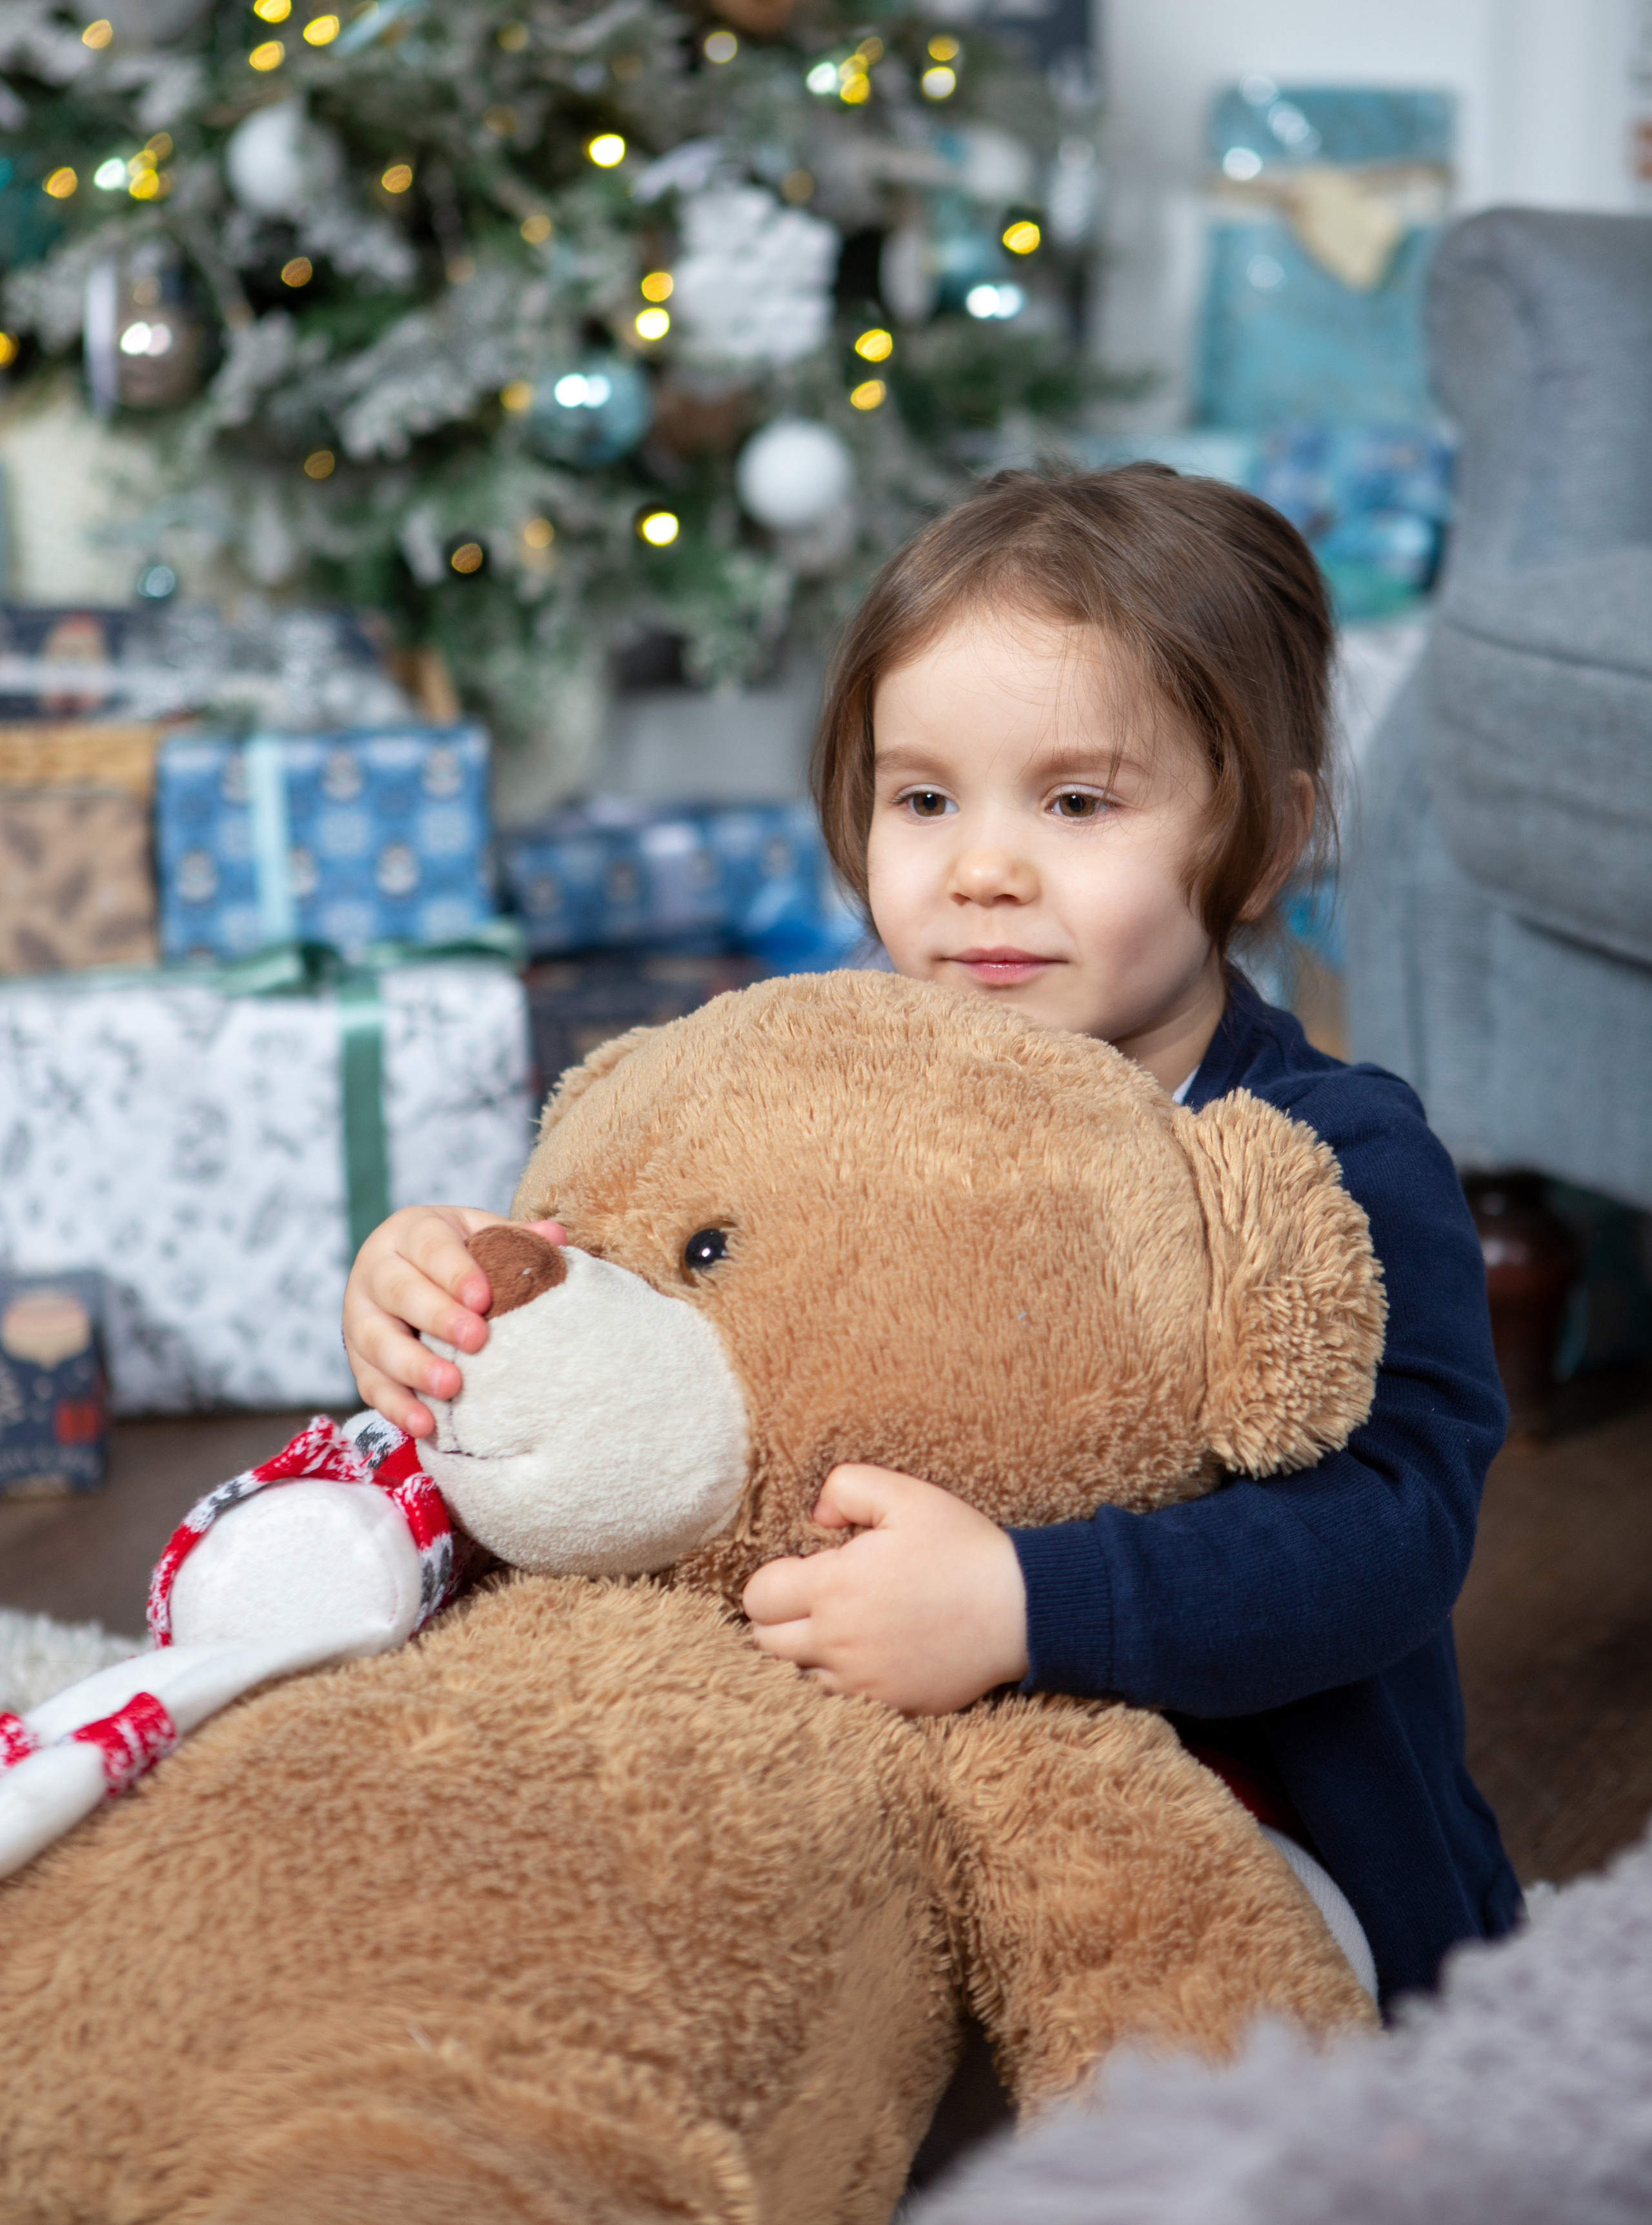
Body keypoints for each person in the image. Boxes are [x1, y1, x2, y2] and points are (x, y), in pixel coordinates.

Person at [343, 464, 1521, 2005]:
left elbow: (1392, 1536)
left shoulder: (1333, 1151)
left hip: (1252, 1863)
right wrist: (440, 1289)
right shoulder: (814, 1093)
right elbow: (647, 1295)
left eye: (1078, 801)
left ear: (1263, 835)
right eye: (922, 800)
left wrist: (1025, 1604)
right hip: (868, 1825)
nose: (980, 868)